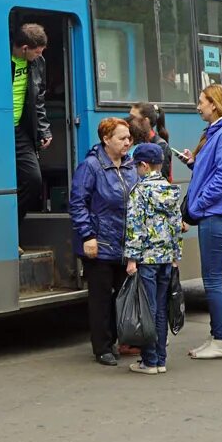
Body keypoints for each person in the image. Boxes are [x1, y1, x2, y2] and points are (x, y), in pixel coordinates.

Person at [175, 85, 222, 360]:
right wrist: (194, 163)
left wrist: (197, 205)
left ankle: (221, 341)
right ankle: (216, 338)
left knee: (213, 280)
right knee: (212, 278)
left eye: (201, 101)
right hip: (215, 212)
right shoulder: (219, 132)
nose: (198, 106)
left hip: (216, 214)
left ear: (214, 104)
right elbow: (216, 170)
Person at [69, 117, 137, 366]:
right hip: (99, 243)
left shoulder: (130, 166)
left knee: (123, 294)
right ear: (106, 140)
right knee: (101, 298)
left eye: (129, 138)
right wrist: (88, 235)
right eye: (122, 138)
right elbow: (78, 203)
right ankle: (102, 347)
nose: (127, 142)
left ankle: (120, 339)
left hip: (125, 244)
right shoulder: (91, 166)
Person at [124, 142, 183, 375]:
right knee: (160, 309)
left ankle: (148, 361)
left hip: (147, 260)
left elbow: (134, 227)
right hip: (166, 259)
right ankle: (160, 359)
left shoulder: (139, 191)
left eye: (137, 165)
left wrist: (131, 259)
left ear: (145, 165)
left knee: (147, 310)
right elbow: (177, 226)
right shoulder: (170, 189)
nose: (136, 170)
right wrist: (175, 255)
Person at [11, 24, 52, 240]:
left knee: (33, 180)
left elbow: (39, 98)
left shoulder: (38, 63)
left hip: (20, 131)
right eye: (37, 51)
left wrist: (43, 130)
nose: (40, 55)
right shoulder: (0, 58)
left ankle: (11, 229)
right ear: (24, 48)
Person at [130, 102, 174, 180]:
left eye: (133, 118)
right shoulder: (132, 142)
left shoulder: (160, 146)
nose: (129, 121)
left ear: (146, 121)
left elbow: (162, 180)